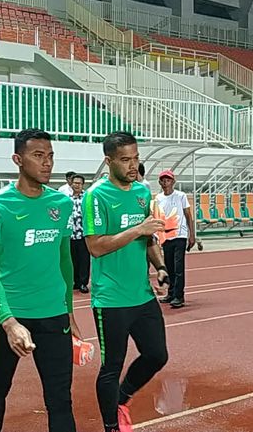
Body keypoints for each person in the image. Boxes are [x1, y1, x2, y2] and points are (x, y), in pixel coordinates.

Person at [0, 129, 80, 432]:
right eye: (38, 155)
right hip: (11, 316)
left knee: (60, 399)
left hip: (54, 316)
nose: (47, 163)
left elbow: (64, 261)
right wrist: (8, 322)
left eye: (50, 156)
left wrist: (69, 310)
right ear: (18, 160)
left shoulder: (60, 205)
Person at [83, 131, 170, 432]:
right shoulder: (95, 196)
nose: (133, 166)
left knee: (157, 355)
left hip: (142, 295)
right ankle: (111, 425)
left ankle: (121, 397)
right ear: (108, 161)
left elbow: (148, 239)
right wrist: (137, 229)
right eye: (125, 160)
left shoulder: (142, 193)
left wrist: (160, 267)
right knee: (111, 366)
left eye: (136, 159)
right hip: (111, 299)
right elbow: (95, 246)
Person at [155, 169, 195, 308]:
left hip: (180, 235)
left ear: (173, 181)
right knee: (169, 266)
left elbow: (188, 215)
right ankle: (171, 293)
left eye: (168, 180)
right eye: (163, 180)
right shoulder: (159, 198)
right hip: (166, 236)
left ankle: (179, 296)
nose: (165, 182)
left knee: (178, 267)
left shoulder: (181, 196)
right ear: (160, 182)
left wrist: (192, 235)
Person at [70, 174, 90, 293]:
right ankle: (76, 282)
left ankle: (83, 283)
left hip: (84, 234)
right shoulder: (66, 198)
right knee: (73, 259)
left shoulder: (87, 198)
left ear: (83, 185)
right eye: (75, 183)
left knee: (84, 259)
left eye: (79, 183)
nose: (77, 185)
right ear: (71, 184)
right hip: (71, 234)